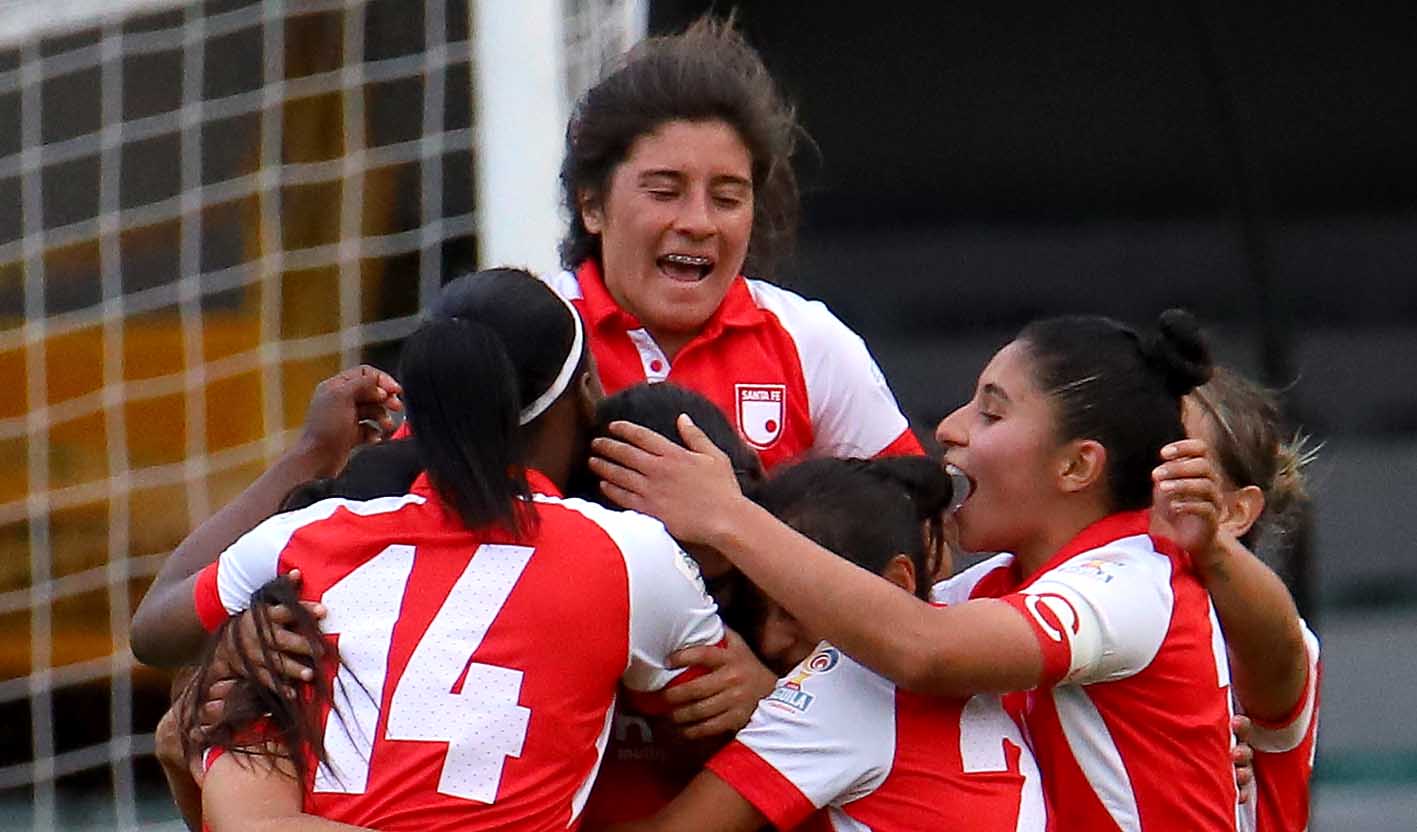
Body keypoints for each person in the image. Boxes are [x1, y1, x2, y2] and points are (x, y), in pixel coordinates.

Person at [590, 309, 1242, 829]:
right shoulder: (992, 590)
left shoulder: (1131, 580)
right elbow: (883, 633)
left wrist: (727, 517)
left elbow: (921, 650)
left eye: (991, 411)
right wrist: (771, 692)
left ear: (1076, 467)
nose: (951, 428)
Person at [133, 268, 727, 830]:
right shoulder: (624, 552)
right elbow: (733, 716)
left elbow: (155, 631)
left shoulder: (309, 539)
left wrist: (312, 451)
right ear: (585, 396)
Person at [544, 17, 922, 470]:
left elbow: (920, 535)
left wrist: (731, 522)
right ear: (591, 206)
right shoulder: (530, 340)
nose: (699, 223)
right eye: (665, 192)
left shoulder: (813, 344)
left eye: (727, 198)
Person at [610, 455, 1044, 832]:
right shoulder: (975, 640)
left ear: (897, 582)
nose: (770, 639)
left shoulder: (844, 681)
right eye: (762, 609)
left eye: (796, 612)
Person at [1179, 367, 1320, 832]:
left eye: (1179, 465)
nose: (1152, 484)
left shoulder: (1274, 637)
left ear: (1236, 511)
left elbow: (1281, 650)